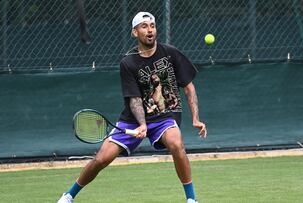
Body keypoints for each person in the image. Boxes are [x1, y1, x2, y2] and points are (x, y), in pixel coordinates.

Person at [58, 11, 207, 203]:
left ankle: (191, 200)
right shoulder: (128, 62)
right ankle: (69, 195)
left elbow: (189, 87)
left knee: (177, 144)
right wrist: (142, 124)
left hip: (164, 117)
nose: (150, 30)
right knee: (102, 159)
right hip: (131, 120)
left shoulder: (170, 53)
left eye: (152, 25)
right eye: (144, 26)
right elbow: (135, 99)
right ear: (135, 32)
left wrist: (195, 118)